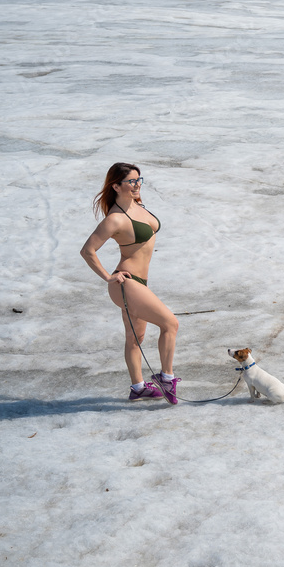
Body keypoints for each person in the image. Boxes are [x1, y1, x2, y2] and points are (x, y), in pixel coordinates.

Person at [80, 163, 180, 404]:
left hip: (139, 283)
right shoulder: (114, 219)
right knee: (170, 324)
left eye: (139, 179)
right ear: (116, 186)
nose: (137, 185)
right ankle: (167, 379)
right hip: (126, 282)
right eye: (131, 181)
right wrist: (107, 276)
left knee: (135, 338)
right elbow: (88, 250)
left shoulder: (137, 205)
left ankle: (138, 388)